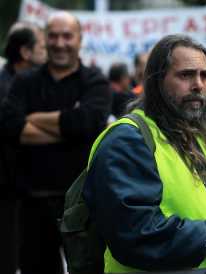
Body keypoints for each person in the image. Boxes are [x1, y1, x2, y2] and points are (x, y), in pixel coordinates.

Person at [83, 34, 206, 273]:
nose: (199, 85)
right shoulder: (128, 139)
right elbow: (133, 231)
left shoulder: (194, 136)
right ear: (157, 81)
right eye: (186, 75)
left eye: (205, 76)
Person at [0, 11, 111, 274]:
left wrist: (33, 118)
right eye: (53, 36)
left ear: (80, 40)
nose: (60, 43)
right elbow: (11, 126)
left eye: (67, 36)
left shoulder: (95, 81)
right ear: (45, 40)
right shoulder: (25, 81)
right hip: (33, 204)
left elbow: (88, 122)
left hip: (84, 206)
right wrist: (69, 125)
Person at [0, 21, 47, 274]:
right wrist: (66, 127)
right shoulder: (5, 86)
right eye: (41, 45)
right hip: (6, 189)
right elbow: (18, 131)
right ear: (25, 52)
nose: (48, 49)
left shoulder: (27, 82)